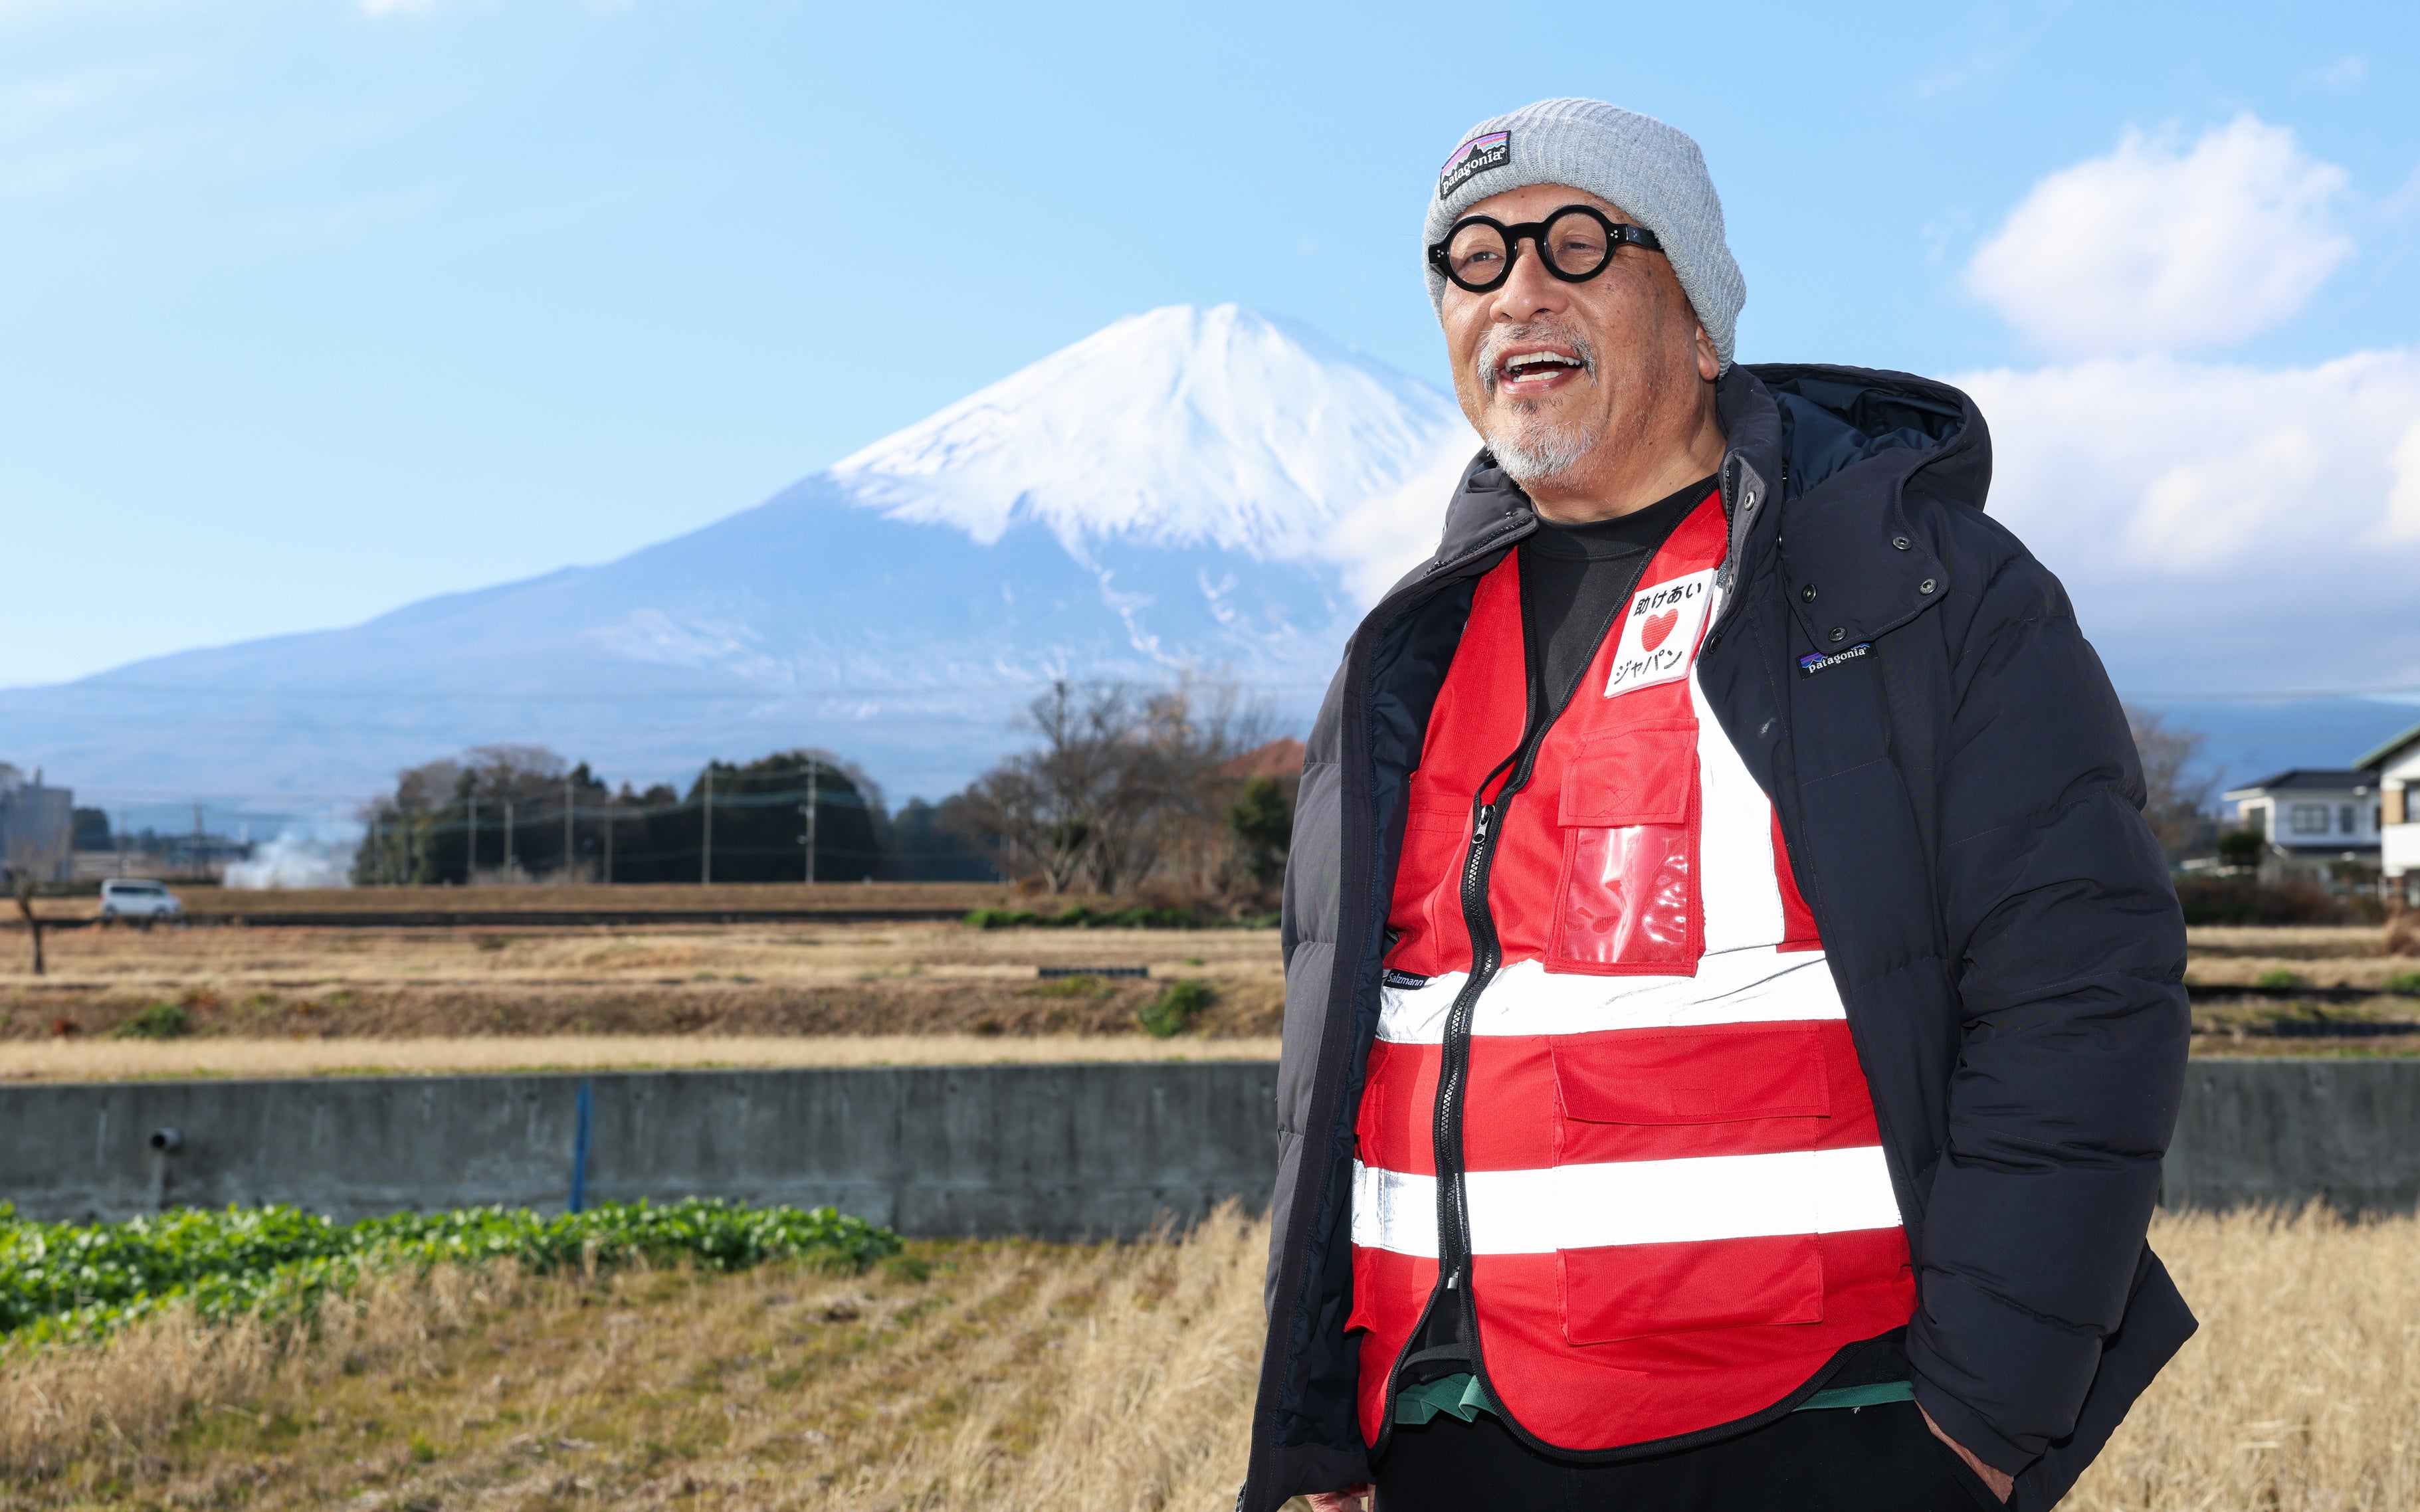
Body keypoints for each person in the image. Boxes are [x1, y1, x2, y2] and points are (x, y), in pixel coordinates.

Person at [1237, 98, 2194, 1512]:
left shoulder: (1916, 592)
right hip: (1447, 1437)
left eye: (1576, 243)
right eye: (1472, 260)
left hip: (1815, 1431)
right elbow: (1344, 1060)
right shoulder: (1406, 654)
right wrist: (1323, 1426)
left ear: (1699, 323)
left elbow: (2084, 997)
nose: (1518, 290)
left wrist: (1981, 1427)